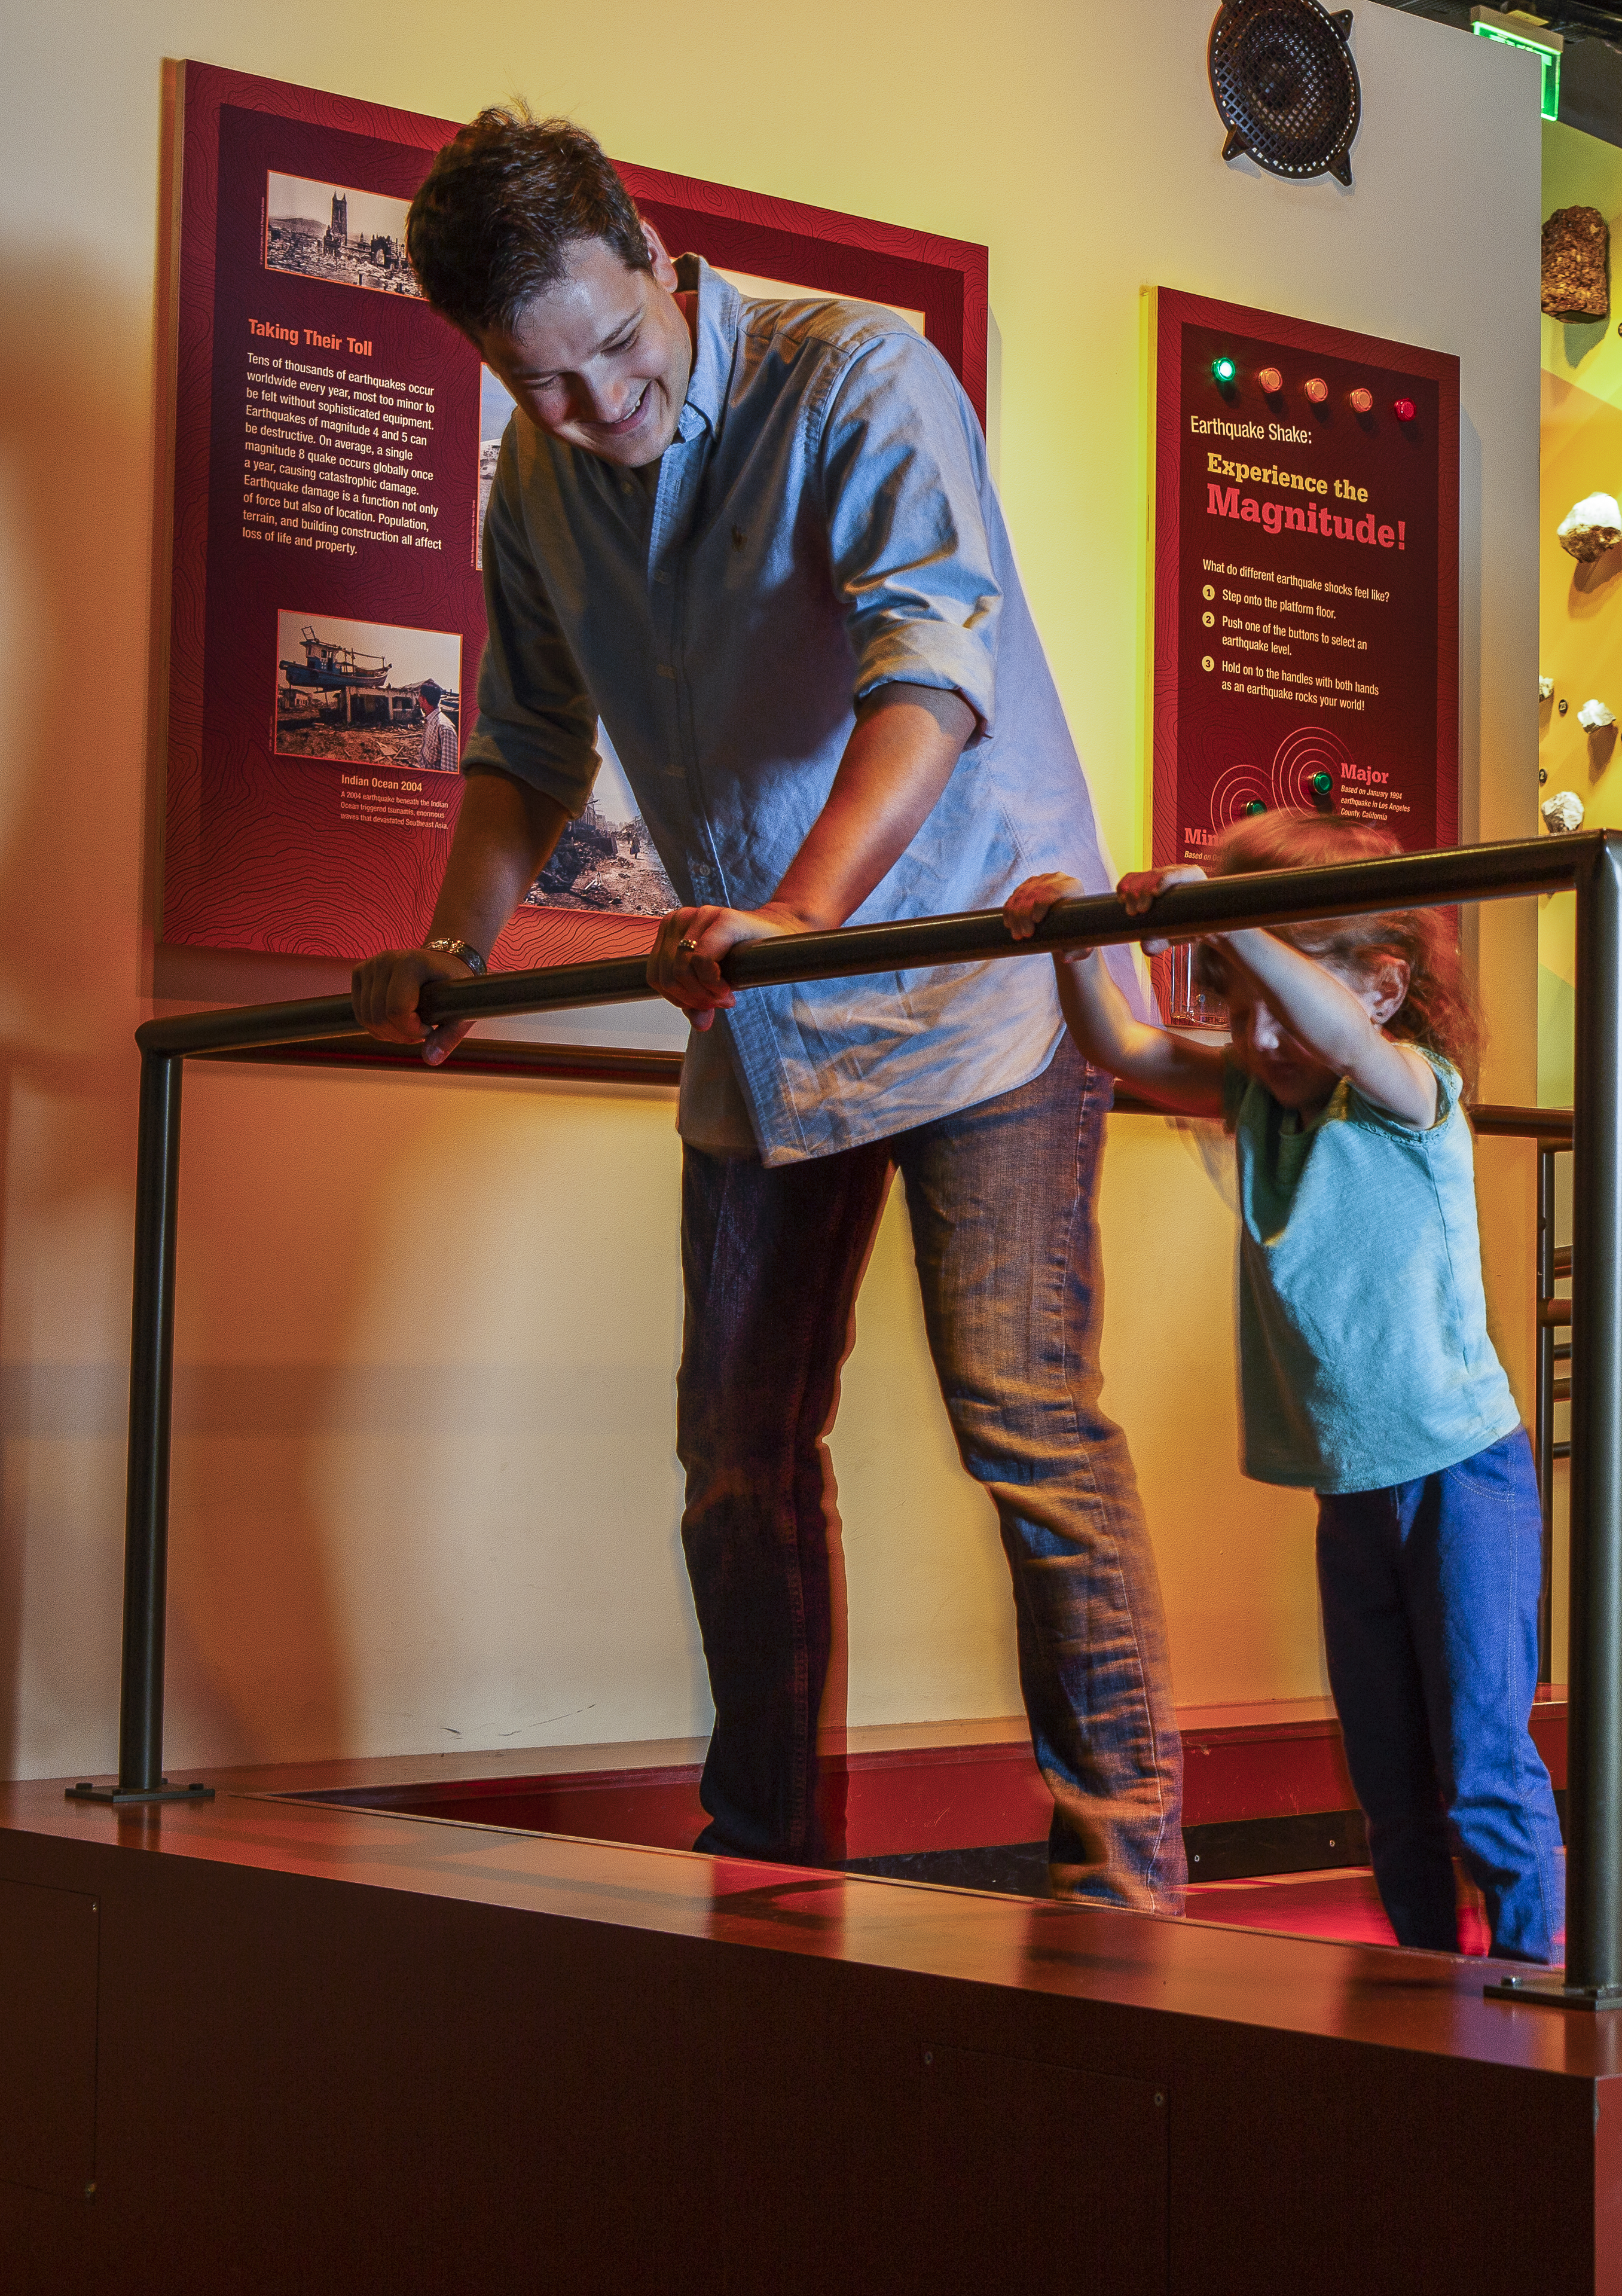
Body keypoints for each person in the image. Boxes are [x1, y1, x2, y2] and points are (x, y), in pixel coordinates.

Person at [349, 109, 1181, 1910]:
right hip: (768, 1016)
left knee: (1026, 1427)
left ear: (656, 259)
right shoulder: (534, 476)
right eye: (540, 381)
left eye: (613, 349)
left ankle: (1127, 1888)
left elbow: (932, 672)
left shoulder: (861, 378)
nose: (596, 406)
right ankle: (767, 1878)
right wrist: (453, 953)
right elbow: (527, 742)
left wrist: (798, 916)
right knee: (735, 1458)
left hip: (978, 978)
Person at [1004, 817, 1563, 1964]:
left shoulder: (1410, 1094)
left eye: (1281, 1003)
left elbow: (1341, 1036)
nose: (1260, 1039)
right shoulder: (1257, 1091)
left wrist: (1228, 919)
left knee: (1480, 1765)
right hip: (1352, 1492)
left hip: (1464, 1479)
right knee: (1388, 1777)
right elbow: (1120, 1044)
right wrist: (1074, 944)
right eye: (1235, 1004)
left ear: (1384, 987)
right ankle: (1426, 1979)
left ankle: (1540, 1979)